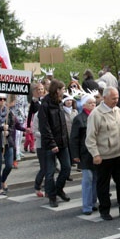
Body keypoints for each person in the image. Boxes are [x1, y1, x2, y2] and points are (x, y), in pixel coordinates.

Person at [85, 86, 120, 220]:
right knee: (103, 185)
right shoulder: (96, 114)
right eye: (113, 98)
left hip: (119, 152)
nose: (116, 100)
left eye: (117, 98)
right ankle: (104, 210)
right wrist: (95, 154)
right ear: (104, 98)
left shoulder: (117, 110)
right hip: (104, 155)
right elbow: (90, 137)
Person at [38, 79, 72, 208]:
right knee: (50, 172)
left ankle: (59, 189)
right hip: (49, 145)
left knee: (67, 168)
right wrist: (52, 144)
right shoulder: (45, 105)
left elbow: (62, 125)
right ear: (57, 90)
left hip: (62, 142)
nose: (64, 92)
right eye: (63, 89)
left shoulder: (59, 103)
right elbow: (45, 127)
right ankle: (52, 196)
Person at [0, 93, 24, 195]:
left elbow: (14, 125)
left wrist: (9, 131)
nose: (2, 101)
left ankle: (3, 180)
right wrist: (0, 128)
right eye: (0, 99)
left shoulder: (9, 112)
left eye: (4, 99)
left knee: (9, 165)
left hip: (8, 142)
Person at [70, 94, 98, 215]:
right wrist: (75, 154)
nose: (93, 105)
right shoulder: (79, 118)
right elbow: (74, 138)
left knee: (96, 179)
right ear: (84, 105)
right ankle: (87, 206)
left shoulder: (97, 116)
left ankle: (93, 202)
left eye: (94, 103)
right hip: (85, 153)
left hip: (97, 152)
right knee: (88, 180)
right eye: (90, 103)